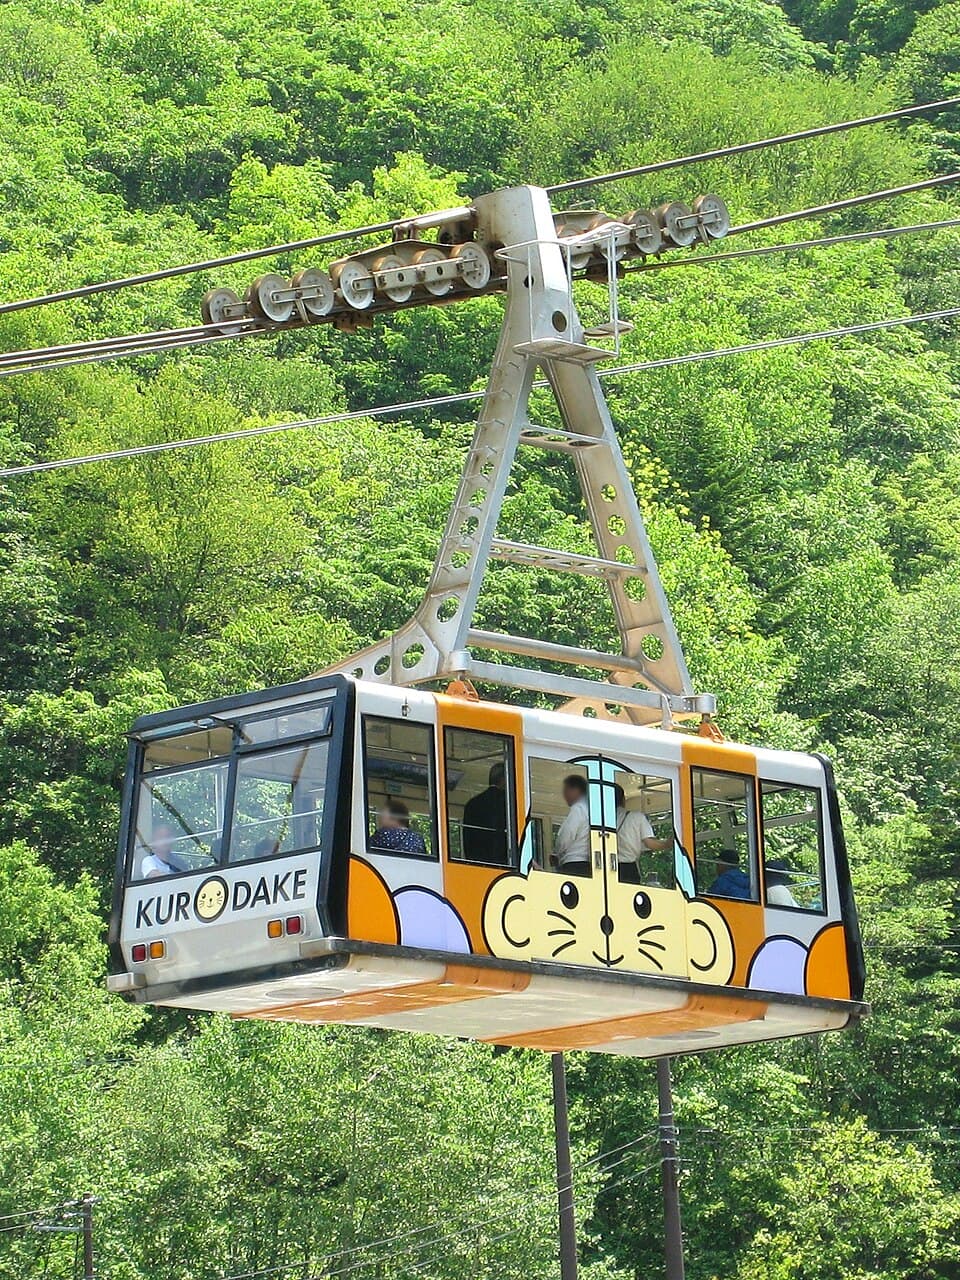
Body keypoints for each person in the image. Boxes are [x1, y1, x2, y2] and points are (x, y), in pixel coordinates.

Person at [461, 762, 509, 864]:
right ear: (504, 779)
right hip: (502, 862)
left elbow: (467, 837)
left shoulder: (472, 803)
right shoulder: (508, 803)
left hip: (476, 860)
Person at [613, 784, 660, 884]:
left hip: (604, 867)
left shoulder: (598, 819)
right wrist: (669, 843)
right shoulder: (636, 817)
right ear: (623, 799)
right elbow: (650, 844)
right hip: (628, 868)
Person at [553, 775, 591, 877]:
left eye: (566, 790)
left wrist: (557, 853)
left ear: (575, 790)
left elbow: (566, 836)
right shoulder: (591, 809)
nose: (565, 795)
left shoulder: (578, 809)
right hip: (587, 866)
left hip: (574, 865)